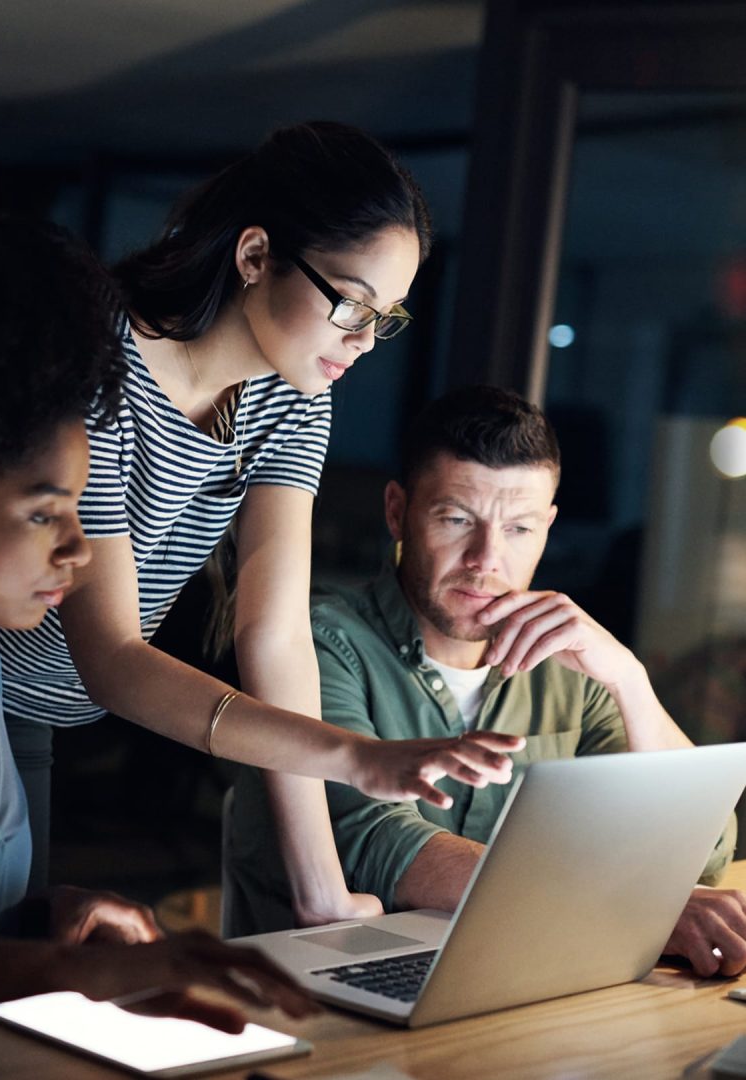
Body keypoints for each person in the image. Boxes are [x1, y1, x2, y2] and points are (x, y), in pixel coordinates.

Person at [0, 121, 524, 914]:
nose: (366, 342)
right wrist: (355, 757)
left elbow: (272, 637)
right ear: (255, 256)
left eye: (387, 319)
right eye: (351, 305)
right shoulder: (95, 359)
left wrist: (323, 890)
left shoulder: (293, 396)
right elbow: (111, 654)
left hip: (14, 696)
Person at [0, 219, 316, 1058]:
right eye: (45, 514)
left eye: (77, 509)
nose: (78, 551)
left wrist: (54, 920)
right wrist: (67, 976)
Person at [228, 386, 746, 978]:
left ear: (548, 528)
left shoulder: (571, 665)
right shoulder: (318, 645)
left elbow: (705, 849)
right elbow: (374, 843)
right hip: (316, 995)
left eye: (519, 529)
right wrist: (626, 905)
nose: (485, 558)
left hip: (512, 977)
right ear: (398, 511)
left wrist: (630, 680)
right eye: (456, 519)